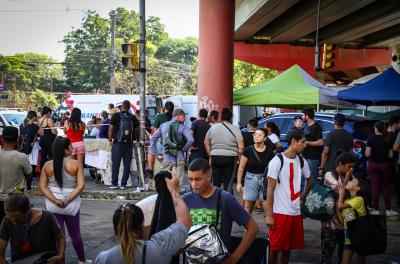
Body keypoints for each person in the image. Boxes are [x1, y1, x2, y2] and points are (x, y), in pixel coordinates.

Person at [95, 172, 191, 264]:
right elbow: (184, 221)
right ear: (143, 224)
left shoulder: (104, 258)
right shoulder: (160, 246)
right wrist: (173, 190)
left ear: (114, 227)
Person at [183, 158, 258, 262]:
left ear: (209, 175)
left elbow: (253, 228)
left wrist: (235, 257)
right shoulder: (185, 200)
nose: (194, 184)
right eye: (190, 179)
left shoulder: (225, 198)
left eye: (198, 179)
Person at [265, 129, 312, 264]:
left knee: (287, 250)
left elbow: (310, 180)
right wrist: (269, 214)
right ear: (293, 142)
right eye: (302, 142)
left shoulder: (301, 161)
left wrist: (303, 198)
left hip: (295, 212)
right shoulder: (277, 161)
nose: (305, 145)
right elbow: (270, 188)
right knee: (274, 249)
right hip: (279, 212)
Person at [39, 136, 87, 263]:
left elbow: (42, 187)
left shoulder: (47, 165)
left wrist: (55, 200)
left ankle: (60, 261)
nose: (73, 148)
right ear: (65, 150)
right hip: (71, 203)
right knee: (75, 234)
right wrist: (67, 200)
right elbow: (81, 185)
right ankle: (82, 260)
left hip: (52, 203)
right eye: (70, 146)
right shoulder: (76, 164)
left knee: (58, 236)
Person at [0, 194, 66, 264]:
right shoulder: (7, 220)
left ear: (28, 210)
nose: (14, 222)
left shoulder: (47, 217)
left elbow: (61, 238)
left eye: (18, 219)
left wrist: (61, 256)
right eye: (10, 218)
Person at [321, 152, 355, 264]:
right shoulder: (329, 175)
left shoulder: (349, 176)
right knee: (327, 255)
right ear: (340, 164)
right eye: (349, 166)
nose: (351, 169)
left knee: (343, 254)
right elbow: (341, 192)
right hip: (330, 223)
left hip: (345, 221)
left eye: (352, 167)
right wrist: (348, 179)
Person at [205, 108, 244, 193]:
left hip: (215, 156)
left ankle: (215, 203)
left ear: (221, 117)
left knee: (215, 183)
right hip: (230, 158)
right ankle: (227, 204)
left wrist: (210, 154)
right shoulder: (235, 129)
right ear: (231, 118)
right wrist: (239, 158)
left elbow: (206, 142)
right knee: (228, 184)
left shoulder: (213, 127)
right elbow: (241, 147)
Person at [149, 109, 193, 184]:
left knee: (163, 183)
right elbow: (191, 140)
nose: (185, 118)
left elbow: (153, 139)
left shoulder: (163, 125)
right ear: (178, 116)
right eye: (183, 116)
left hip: (166, 159)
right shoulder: (183, 127)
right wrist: (183, 149)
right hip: (179, 159)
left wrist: (156, 154)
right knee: (177, 185)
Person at [237, 128, 274, 214]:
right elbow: (241, 168)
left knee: (266, 207)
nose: (256, 136)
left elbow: (272, 169)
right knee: (248, 208)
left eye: (259, 135)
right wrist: (239, 183)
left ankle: (270, 227)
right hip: (250, 179)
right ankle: (247, 227)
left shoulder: (269, 151)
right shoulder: (248, 150)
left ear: (265, 138)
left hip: (265, 181)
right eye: (255, 134)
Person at [0, 127, 32, 223]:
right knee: (18, 227)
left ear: (2, 138)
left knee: (2, 228)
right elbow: (29, 174)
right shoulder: (21, 157)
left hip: (1, 198)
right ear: (17, 139)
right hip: (17, 196)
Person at [366, 121, 398, 216]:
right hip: (385, 165)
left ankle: (375, 210)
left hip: (373, 165)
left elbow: (368, 154)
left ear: (375, 129)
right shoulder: (387, 139)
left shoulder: (370, 139)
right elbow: (391, 155)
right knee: (386, 187)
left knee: (374, 187)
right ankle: (388, 210)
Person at [108, 100, 139, 190]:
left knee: (115, 164)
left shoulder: (116, 116)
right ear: (129, 107)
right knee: (127, 165)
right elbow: (137, 130)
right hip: (128, 144)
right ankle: (123, 184)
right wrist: (134, 138)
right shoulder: (132, 117)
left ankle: (114, 184)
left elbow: (110, 129)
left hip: (117, 143)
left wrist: (110, 140)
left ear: (121, 107)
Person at [337, 177, 368, 264]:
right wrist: (338, 210)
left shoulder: (359, 199)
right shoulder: (347, 201)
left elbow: (340, 206)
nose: (350, 181)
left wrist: (341, 195)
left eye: (353, 181)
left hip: (360, 237)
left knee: (361, 261)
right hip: (349, 238)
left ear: (358, 188)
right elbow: (343, 222)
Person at [302, 108, 324, 184]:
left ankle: (312, 195)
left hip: (313, 158)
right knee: (304, 178)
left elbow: (321, 142)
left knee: (312, 179)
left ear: (307, 116)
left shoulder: (316, 126)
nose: (302, 117)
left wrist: (307, 142)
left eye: (303, 115)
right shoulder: (305, 126)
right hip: (305, 156)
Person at [19, 111, 39, 190]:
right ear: (33, 117)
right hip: (32, 148)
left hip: (23, 148)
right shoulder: (34, 126)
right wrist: (38, 124)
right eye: (36, 116)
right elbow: (42, 133)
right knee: (31, 167)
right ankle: (29, 186)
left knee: (23, 167)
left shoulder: (22, 125)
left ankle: (22, 186)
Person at [388, 115, 400, 208]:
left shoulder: (383, 135)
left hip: (385, 162)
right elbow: (395, 149)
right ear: (394, 124)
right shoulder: (396, 135)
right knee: (396, 182)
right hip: (394, 161)